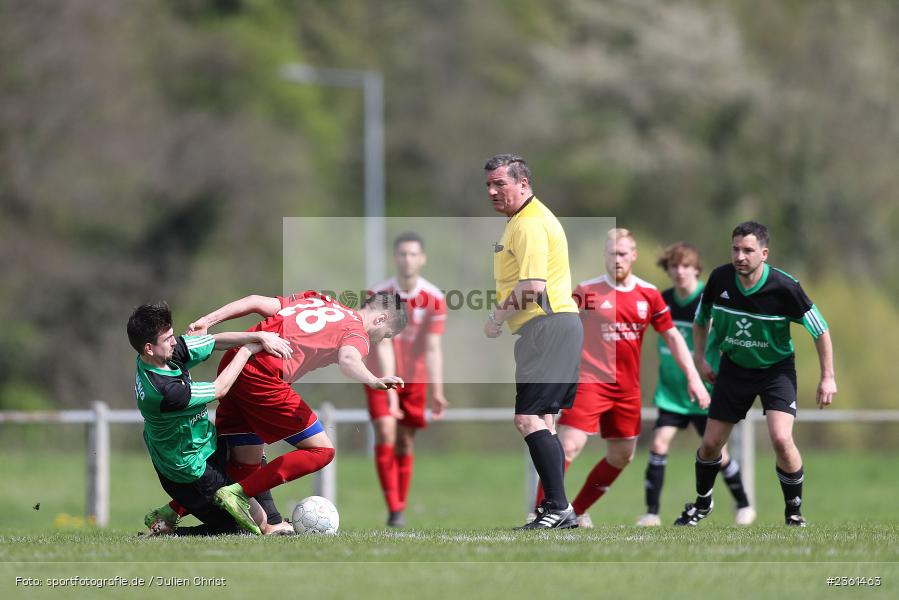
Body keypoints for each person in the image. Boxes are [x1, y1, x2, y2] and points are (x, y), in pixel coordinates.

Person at [178, 290, 408, 530]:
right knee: (322, 451)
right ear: (381, 319)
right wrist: (372, 379)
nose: (380, 340)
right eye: (386, 335)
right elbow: (349, 360)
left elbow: (255, 301)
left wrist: (207, 320)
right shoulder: (356, 332)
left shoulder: (319, 299)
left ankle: (170, 512)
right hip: (261, 376)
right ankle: (238, 494)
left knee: (245, 464)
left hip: (235, 360)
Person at [542, 229, 710, 528]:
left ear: (632, 256)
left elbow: (671, 336)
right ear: (604, 256)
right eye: (611, 253)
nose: (616, 259)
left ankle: (576, 512)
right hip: (590, 382)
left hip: (627, 389)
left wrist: (694, 378)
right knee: (568, 446)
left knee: (621, 456)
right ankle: (541, 512)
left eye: (622, 254)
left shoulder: (649, 294)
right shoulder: (587, 291)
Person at [674, 221, 836, 527]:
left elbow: (821, 329)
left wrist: (828, 376)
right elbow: (700, 319)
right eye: (735, 249)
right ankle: (702, 504)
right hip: (734, 368)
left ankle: (793, 512)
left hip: (776, 370)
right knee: (710, 445)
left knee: (780, 438)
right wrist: (700, 358)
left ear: (764, 253)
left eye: (748, 250)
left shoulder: (785, 287)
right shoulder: (720, 278)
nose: (740, 256)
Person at [129, 302, 294, 536]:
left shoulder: (162, 356)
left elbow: (214, 341)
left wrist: (259, 336)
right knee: (241, 527)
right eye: (167, 339)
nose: (175, 341)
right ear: (149, 348)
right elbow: (220, 389)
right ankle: (166, 535)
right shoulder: (165, 391)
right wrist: (247, 350)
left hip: (203, 446)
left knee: (250, 449)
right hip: (189, 471)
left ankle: (273, 524)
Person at [483, 153, 584, 529]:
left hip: (548, 325)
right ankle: (558, 510)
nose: (493, 191)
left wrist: (496, 318)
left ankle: (558, 507)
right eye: (489, 186)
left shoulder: (528, 223)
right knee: (543, 421)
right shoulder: (520, 221)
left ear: (523, 184)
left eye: (501, 184)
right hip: (551, 327)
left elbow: (532, 288)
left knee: (527, 419)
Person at [636, 242, 755, 527]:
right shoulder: (661, 300)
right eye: (674, 266)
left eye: (686, 266)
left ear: (696, 269)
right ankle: (652, 513)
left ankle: (744, 505)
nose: (680, 272)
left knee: (718, 454)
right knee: (659, 443)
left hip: (705, 391)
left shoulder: (709, 296)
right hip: (672, 392)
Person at [364, 232, 448, 527]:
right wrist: (389, 391)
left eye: (413, 254)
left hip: (415, 379)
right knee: (386, 431)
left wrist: (437, 391)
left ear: (422, 259)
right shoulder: (379, 295)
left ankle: (400, 504)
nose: (408, 259)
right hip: (379, 374)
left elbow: (433, 348)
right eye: (402, 254)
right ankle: (395, 509)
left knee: (404, 443)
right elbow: (383, 343)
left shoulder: (434, 298)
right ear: (394, 258)